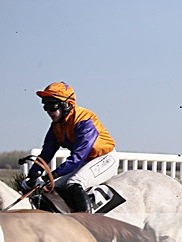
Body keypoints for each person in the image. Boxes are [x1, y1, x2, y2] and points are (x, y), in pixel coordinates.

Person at [22, 81, 118, 212]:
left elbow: (77, 157)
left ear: (67, 105)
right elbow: (46, 154)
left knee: (74, 182)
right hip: (86, 161)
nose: (48, 112)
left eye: (52, 107)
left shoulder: (84, 121)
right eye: (45, 107)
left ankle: (87, 222)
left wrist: (48, 176)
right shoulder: (56, 126)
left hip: (105, 158)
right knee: (53, 187)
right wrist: (32, 177)